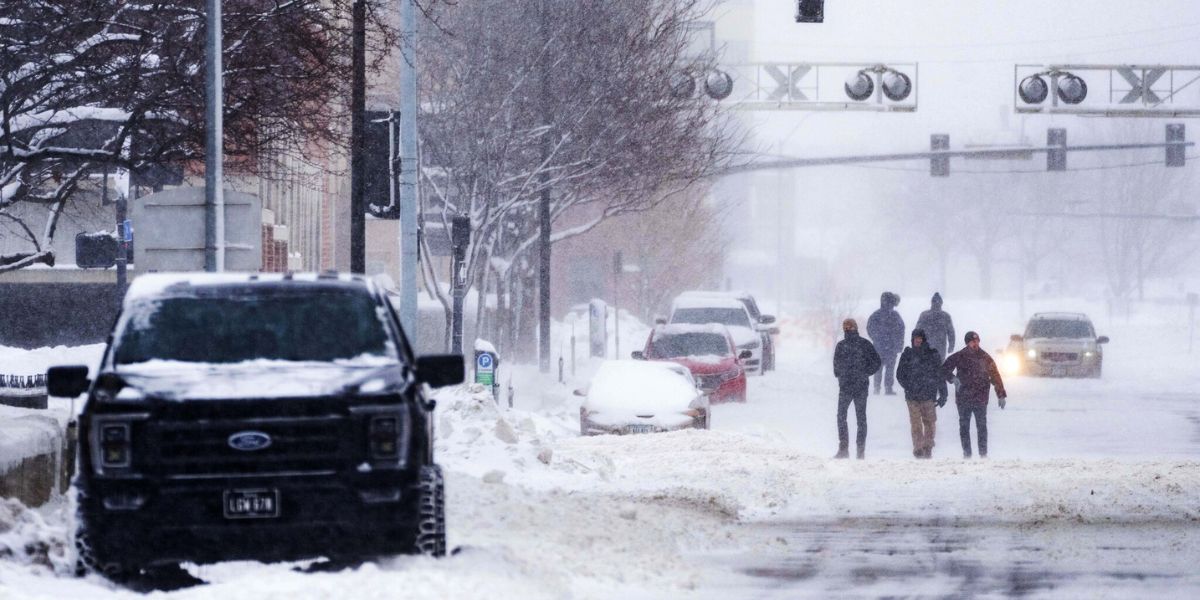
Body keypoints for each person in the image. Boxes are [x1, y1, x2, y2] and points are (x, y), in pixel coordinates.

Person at [941, 331, 1007, 459]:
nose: (975, 344)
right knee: (964, 427)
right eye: (972, 341)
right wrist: (953, 379)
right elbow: (944, 369)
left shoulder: (985, 357)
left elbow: (995, 376)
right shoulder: (960, 356)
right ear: (967, 343)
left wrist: (1001, 394)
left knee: (981, 427)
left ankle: (983, 454)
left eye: (977, 341)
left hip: (980, 398)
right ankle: (967, 454)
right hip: (963, 398)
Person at [833, 318, 882, 459]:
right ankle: (843, 448)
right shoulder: (841, 346)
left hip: (860, 386)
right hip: (846, 387)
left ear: (855, 327)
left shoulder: (864, 344)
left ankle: (860, 451)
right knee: (841, 416)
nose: (847, 328)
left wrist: (865, 372)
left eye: (850, 326)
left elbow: (876, 362)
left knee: (860, 419)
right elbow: (836, 365)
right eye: (845, 326)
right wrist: (840, 375)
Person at [896, 328, 948, 459]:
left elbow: (940, 375)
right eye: (915, 338)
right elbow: (899, 374)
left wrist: (943, 394)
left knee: (930, 422)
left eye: (920, 338)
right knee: (916, 423)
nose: (917, 340)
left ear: (924, 339)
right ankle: (918, 448)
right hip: (912, 396)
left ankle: (928, 446)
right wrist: (907, 386)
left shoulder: (933, 355)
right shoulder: (907, 354)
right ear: (912, 339)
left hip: (928, 395)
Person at [866, 292, 905, 395]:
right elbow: (901, 330)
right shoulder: (895, 315)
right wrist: (899, 344)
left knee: (879, 367)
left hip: (879, 346)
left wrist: (875, 338)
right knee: (889, 368)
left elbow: (869, 327)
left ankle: (877, 387)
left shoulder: (876, 314)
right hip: (891, 346)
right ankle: (887, 388)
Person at [915, 292, 956, 361]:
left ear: (931, 303)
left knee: (925, 366)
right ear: (941, 303)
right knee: (939, 366)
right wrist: (951, 346)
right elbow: (951, 332)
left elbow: (917, 331)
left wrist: (916, 344)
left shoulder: (924, 315)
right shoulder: (945, 316)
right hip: (940, 347)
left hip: (926, 346)